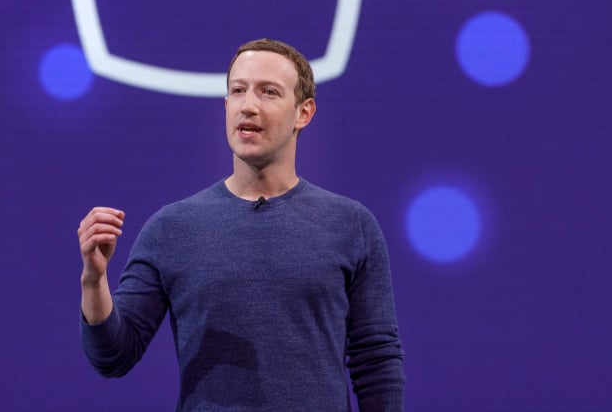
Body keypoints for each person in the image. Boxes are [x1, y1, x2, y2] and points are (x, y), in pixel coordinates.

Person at [78, 39, 405, 411]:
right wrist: (93, 280)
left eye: (268, 92)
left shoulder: (352, 226)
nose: (248, 106)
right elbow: (113, 356)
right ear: (226, 105)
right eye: (238, 91)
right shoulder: (170, 229)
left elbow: (376, 361)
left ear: (304, 112)